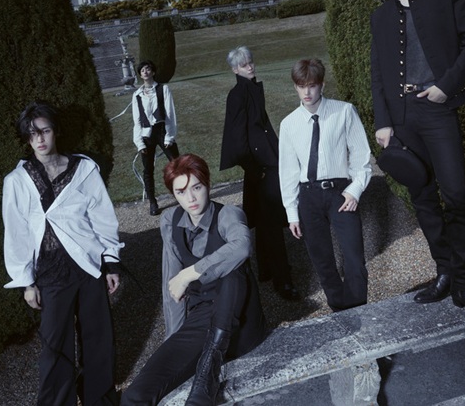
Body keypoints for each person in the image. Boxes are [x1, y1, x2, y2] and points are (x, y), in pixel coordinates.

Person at [371, 0, 465, 325]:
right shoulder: (381, 16)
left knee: (455, 195)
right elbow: (378, 74)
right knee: (423, 200)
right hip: (402, 117)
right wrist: (384, 123)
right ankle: (445, 272)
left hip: (437, 109)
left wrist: (445, 87)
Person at [2, 101, 124, 405]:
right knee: (55, 344)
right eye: (33, 134)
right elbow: (16, 232)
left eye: (44, 131)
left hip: (87, 264)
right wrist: (26, 282)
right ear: (27, 138)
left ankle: (99, 398)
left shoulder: (84, 169)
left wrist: (110, 262)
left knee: (98, 337)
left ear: (55, 131)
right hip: (50, 270)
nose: (40, 139)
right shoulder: (17, 180)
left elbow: (102, 216)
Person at [121, 153, 266, 405]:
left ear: (207, 185)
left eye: (196, 188)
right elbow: (171, 284)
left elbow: (242, 246)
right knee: (135, 395)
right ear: (173, 195)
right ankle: (206, 362)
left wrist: (190, 273)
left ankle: (207, 376)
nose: (191, 198)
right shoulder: (171, 221)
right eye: (181, 192)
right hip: (202, 318)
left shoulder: (228, 214)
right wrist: (173, 342)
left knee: (233, 267)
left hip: (241, 321)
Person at [279, 59, 372, 311]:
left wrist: (355, 190)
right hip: (308, 197)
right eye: (301, 86)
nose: (307, 92)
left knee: (354, 257)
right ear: (295, 87)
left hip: (340, 193)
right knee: (322, 261)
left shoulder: (344, 111)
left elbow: (361, 156)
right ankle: (340, 311)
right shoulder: (289, 124)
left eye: (312, 85)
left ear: (322, 84)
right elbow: (288, 171)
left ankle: (359, 309)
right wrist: (292, 212)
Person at [220, 46, 299, 301]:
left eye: (251, 62)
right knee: (272, 222)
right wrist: (256, 172)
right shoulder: (237, 95)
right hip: (260, 168)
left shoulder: (250, 89)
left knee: (267, 221)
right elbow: (237, 139)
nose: (250, 66)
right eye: (244, 65)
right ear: (235, 69)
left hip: (265, 163)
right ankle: (283, 280)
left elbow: (259, 128)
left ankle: (267, 269)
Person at [132, 59, 180, 216]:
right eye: (142, 70)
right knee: (148, 170)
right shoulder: (137, 95)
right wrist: (140, 143)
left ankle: (183, 193)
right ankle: (152, 202)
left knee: (177, 165)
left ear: (153, 72)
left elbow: (170, 114)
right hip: (146, 135)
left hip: (162, 131)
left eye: (148, 69)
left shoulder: (163, 89)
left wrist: (169, 137)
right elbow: (137, 121)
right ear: (140, 75)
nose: (145, 72)